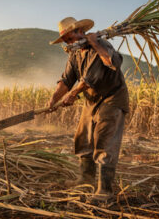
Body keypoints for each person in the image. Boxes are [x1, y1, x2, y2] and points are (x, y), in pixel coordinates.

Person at [48, 17, 129, 201]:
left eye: (71, 38)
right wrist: (54, 99)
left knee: (104, 140)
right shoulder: (75, 54)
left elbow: (103, 68)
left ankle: (105, 191)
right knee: (83, 137)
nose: (70, 43)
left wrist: (94, 43)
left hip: (112, 98)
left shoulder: (101, 45)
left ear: (80, 32)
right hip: (91, 100)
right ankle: (86, 179)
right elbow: (67, 79)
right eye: (67, 41)